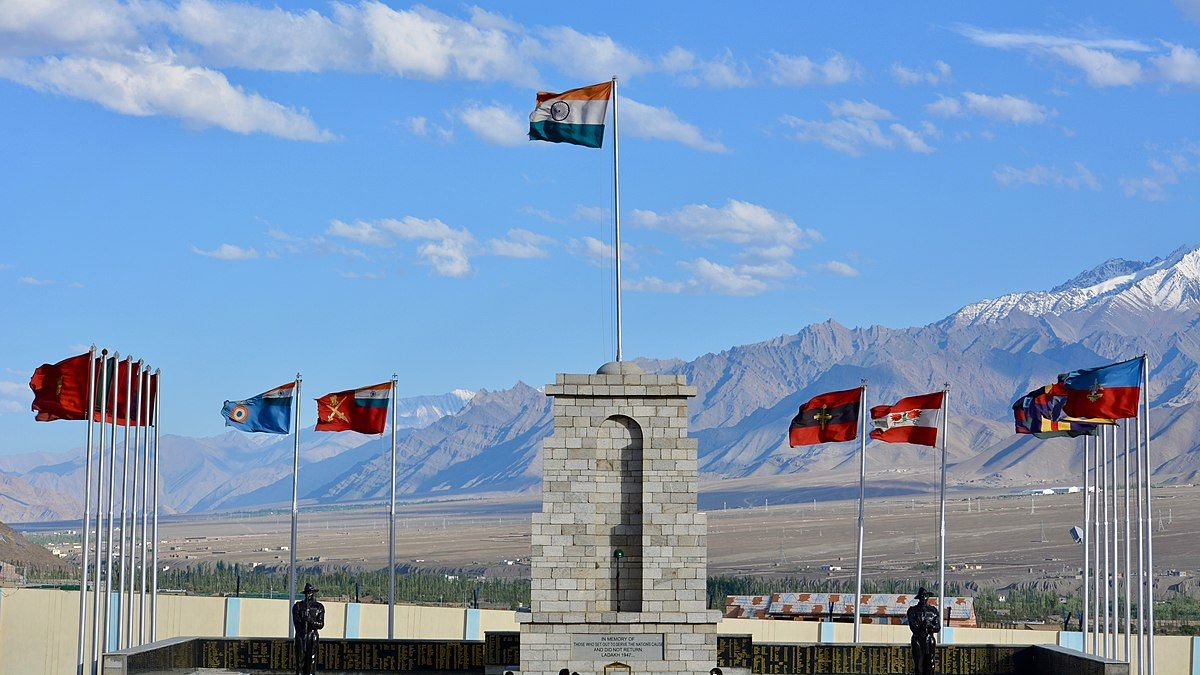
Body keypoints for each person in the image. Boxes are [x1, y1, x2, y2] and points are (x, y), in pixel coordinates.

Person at [292, 582, 325, 675]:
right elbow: (296, 623)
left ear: (313, 593)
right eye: (307, 592)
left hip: (313, 635)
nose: (309, 594)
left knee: (311, 661)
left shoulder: (319, 607)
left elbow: (321, 624)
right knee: (300, 661)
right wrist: (302, 625)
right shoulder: (297, 606)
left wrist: (310, 620)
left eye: (310, 592)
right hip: (301, 635)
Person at [906, 587, 940, 675]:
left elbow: (937, 627)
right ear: (919, 597)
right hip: (918, 639)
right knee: (918, 663)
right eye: (922, 596)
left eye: (926, 596)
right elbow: (913, 626)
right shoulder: (912, 610)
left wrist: (930, 626)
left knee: (930, 663)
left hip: (929, 640)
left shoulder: (933, 611)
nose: (924, 598)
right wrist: (922, 628)